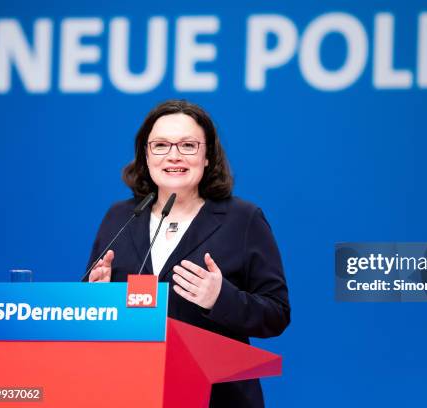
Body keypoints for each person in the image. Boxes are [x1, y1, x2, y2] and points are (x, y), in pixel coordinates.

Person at [85, 99, 290, 407]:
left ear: (207, 156)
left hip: (217, 397)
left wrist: (221, 298)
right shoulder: (121, 217)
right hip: (131, 392)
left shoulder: (242, 219)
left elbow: (276, 314)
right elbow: (87, 307)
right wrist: (95, 298)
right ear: (146, 154)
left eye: (188, 146)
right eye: (161, 145)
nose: (173, 156)